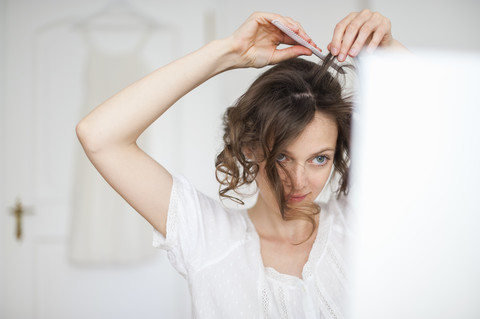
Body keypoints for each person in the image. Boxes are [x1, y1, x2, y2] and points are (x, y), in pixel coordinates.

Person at [76, 10, 405, 318]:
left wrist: (390, 50)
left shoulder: (360, 226)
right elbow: (99, 136)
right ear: (250, 147)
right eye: (281, 157)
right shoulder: (207, 238)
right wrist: (229, 53)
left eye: (320, 159)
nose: (299, 181)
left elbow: (450, 139)